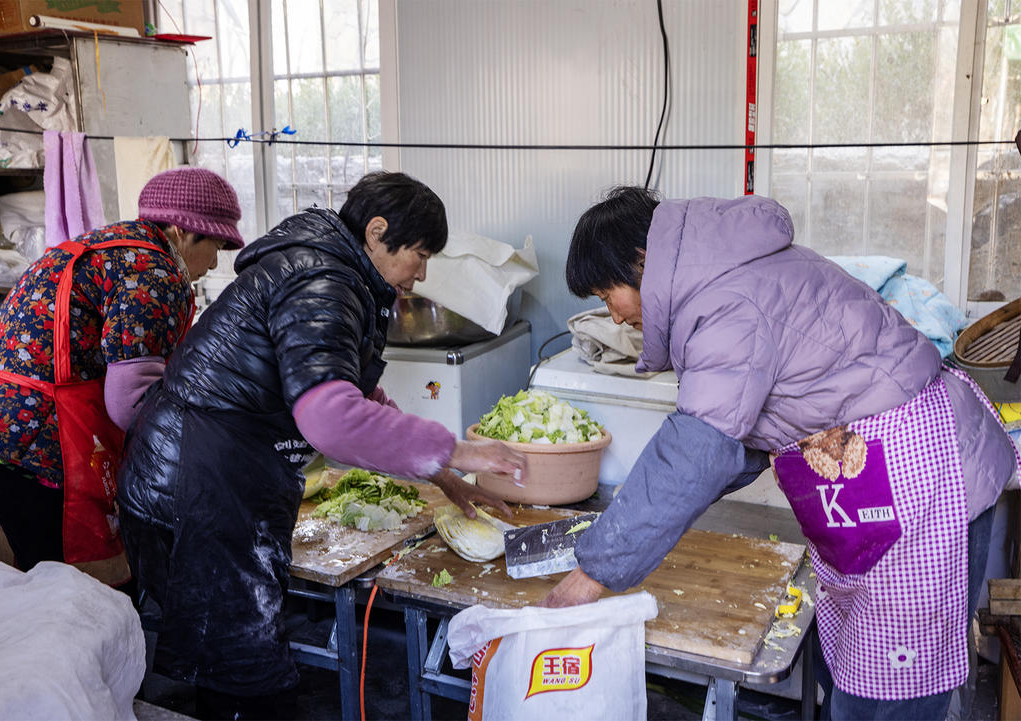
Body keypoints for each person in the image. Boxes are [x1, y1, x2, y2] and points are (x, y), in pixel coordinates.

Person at [544, 189, 1019, 721]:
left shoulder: (724, 303)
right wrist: (645, 517)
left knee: (888, 698)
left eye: (607, 295)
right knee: (863, 680)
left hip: (922, 487)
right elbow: (730, 444)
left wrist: (593, 573)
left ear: (642, 261)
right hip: (888, 478)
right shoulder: (728, 276)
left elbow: (695, 451)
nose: (613, 315)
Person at [116, 170, 527, 721]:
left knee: (238, 659)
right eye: (420, 254)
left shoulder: (335, 270)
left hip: (210, 476)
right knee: (243, 671)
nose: (422, 273)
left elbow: (361, 396)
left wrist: (447, 478)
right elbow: (331, 420)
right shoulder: (322, 278)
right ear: (377, 232)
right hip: (197, 485)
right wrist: (460, 450)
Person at [0, 167, 243, 589]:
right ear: (181, 229)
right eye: (216, 245)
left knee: (45, 578)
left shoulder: (108, 246)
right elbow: (130, 402)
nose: (214, 262)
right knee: (75, 594)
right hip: (35, 448)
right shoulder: (156, 273)